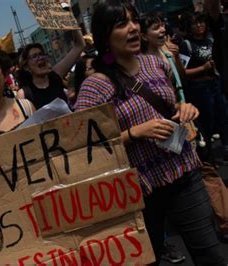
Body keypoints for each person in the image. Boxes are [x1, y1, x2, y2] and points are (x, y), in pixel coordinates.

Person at [74, 1, 225, 264]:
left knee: (212, 256)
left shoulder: (155, 65)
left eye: (134, 20)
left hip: (185, 174)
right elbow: (84, 148)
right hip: (137, 194)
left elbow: (171, 104)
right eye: (122, 24)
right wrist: (133, 133)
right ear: (104, 36)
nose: (133, 28)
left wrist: (184, 108)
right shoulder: (95, 87)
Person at [140, 12, 188, 265]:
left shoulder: (165, 56)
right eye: (154, 27)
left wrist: (184, 107)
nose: (161, 31)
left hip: (182, 143)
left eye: (162, 26)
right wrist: (135, 132)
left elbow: (180, 85)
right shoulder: (100, 83)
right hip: (149, 171)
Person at [179, 11, 228, 164]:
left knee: (224, 117)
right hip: (199, 87)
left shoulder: (210, 39)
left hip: (216, 83)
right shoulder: (186, 45)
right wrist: (203, 67)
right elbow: (183, 73)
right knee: (207, 122)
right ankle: (210, 157)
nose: (199, 25)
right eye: (195, 23)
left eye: (201, 22)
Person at [16, 29, 84, 109]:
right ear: (26, 66)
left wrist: (73, 25)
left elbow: (79, 46)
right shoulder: (23, 94)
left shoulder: (55, 75)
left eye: (41, 54)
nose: (40, 58)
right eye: (34, 56)